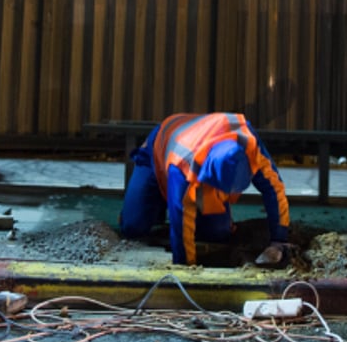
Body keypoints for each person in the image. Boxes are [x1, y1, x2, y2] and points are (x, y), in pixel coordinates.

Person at [119, 112, 291, 266]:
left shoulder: (251, 147)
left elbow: (274, 189)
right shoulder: (182, 163)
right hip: (158, 149)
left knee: (217, 233)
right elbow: (181, 220)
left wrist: (278, 239)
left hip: (202, 146)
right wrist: (187, 266)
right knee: (133, 227)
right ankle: (153, 205)